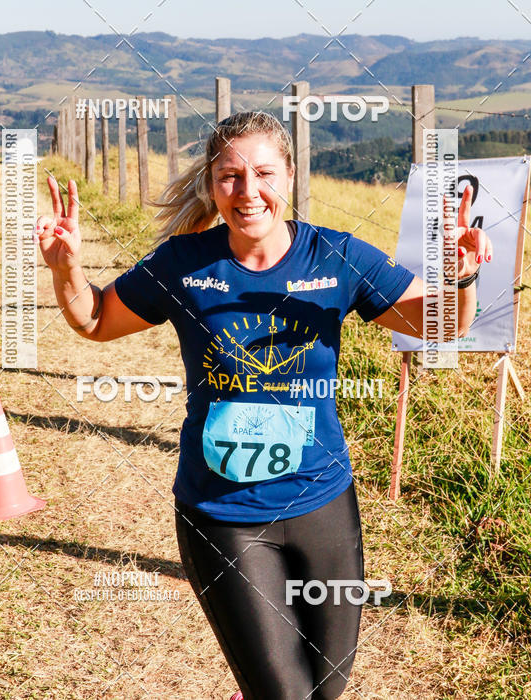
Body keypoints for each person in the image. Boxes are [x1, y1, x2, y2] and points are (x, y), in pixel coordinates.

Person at [36, 111, 492, 699]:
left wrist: (460, 277)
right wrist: (66, 268)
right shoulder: (183, 263)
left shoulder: (336, 256)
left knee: (327, 687)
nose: (247, 191)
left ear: (291, 175)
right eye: (229, 176)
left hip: (323, 503)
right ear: (212, 184)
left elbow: (441, 325)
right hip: (223, 514)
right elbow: (95, 320)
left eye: (264, 174)